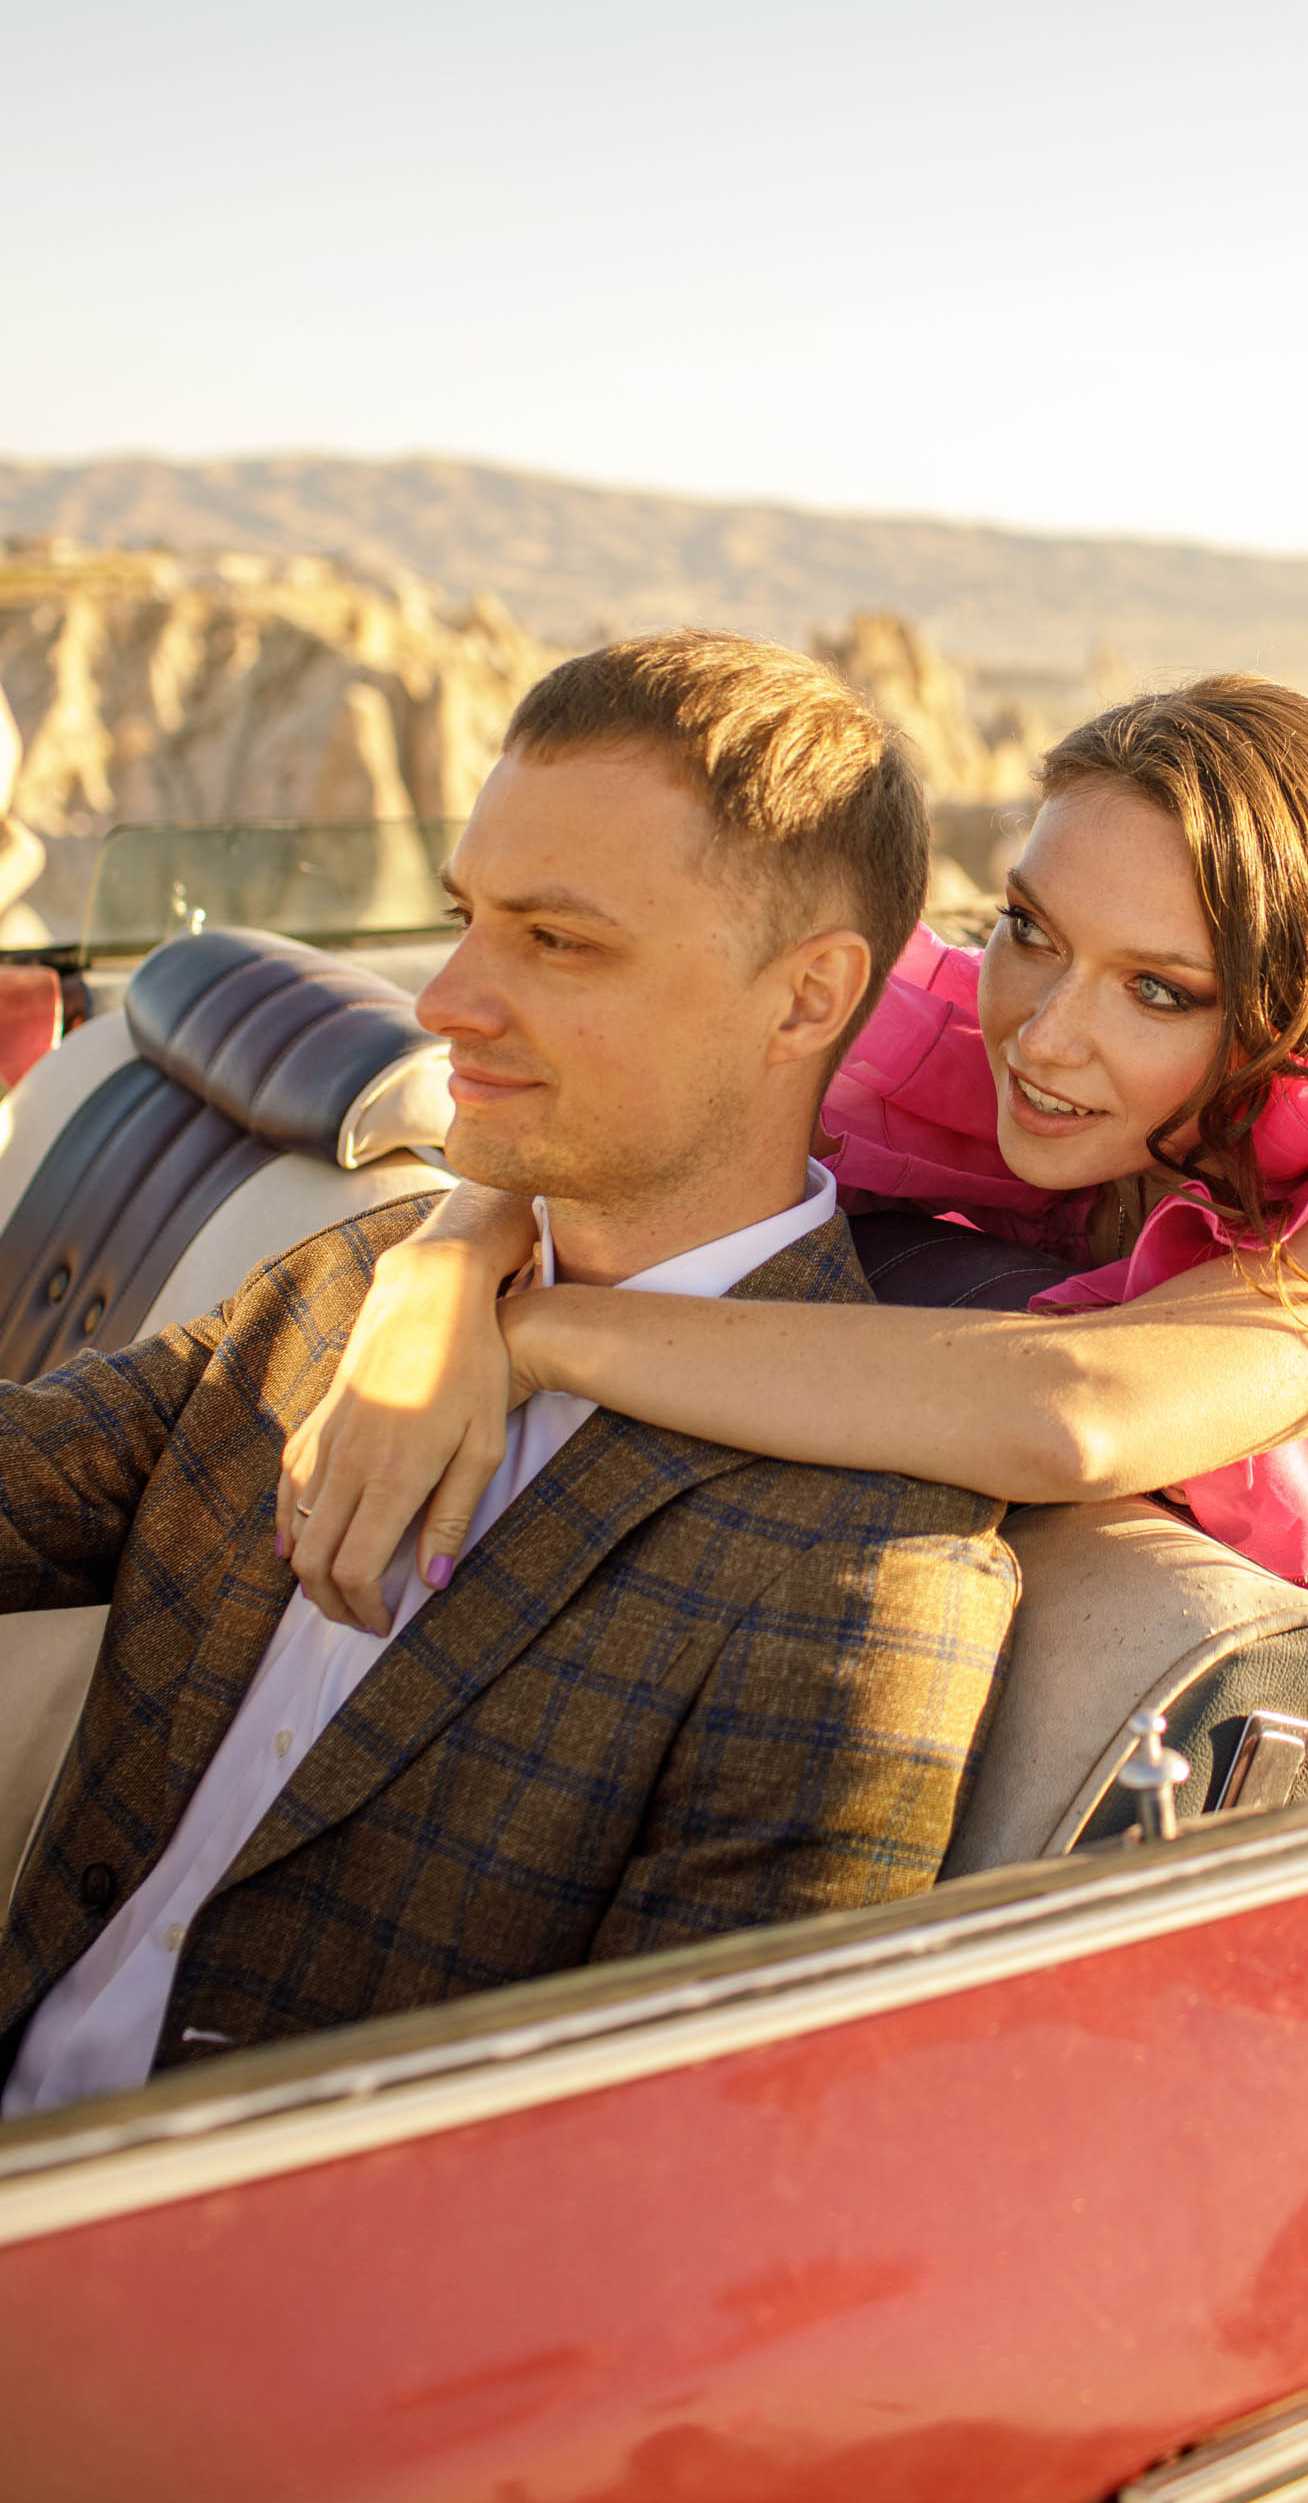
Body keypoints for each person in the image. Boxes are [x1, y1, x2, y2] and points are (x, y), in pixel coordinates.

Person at [280, 673, 1308, 1788]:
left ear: (1294, 1006)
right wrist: (448, 1260)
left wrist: (536, 1335)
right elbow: (638, 1096)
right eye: (1030, 929)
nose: (1042, 1034)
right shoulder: (1069, 1085)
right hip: (1190, 1783)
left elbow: (1078, 1416)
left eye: (1160, 989)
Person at [0, 635, 1017, 2117]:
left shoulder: (867, 1564)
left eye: (557, 942)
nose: (446, 1000)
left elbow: (678, 2145)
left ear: (806, 1000)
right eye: (466, 917)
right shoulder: (368, 1282)